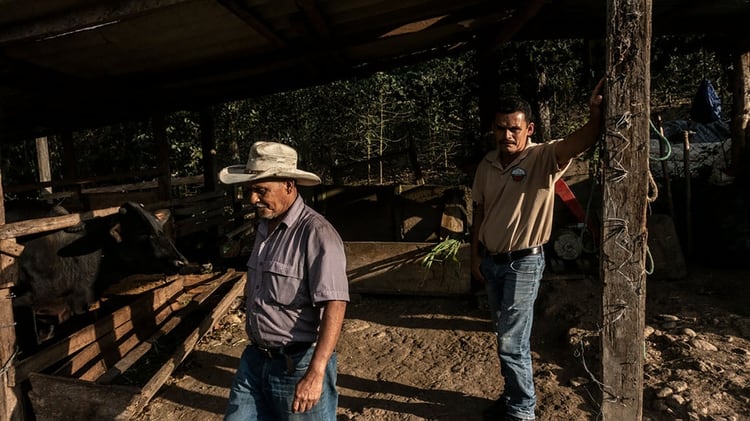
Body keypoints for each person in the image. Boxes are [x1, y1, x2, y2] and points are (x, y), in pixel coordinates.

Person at [471, 79, 604, 421]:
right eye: (501, 128)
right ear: (493, 129)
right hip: (493, 261)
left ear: (528, 128)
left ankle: (522, 411)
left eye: (514, 128)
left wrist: (595, 117)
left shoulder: (543, 157)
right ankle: (514, 395)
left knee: (511, 340)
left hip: (524, 263)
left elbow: (579, 143)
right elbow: (479, 211)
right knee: (504, 334)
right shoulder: (486, 164)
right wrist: (476, 255)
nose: (507, 136)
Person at [219, 141, 349, 420]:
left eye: (261, 190)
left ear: (288, 186)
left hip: (298, 364)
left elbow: (335, 304)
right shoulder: (265, 227)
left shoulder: (317, 233)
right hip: (255, 360)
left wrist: (316, 372)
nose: (253, 199)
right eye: (250, 190)